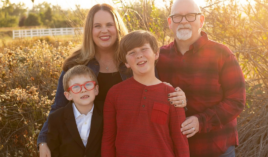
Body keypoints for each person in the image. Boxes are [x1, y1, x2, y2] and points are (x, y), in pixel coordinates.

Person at [38, 4, 187, 157]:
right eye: (97, 26)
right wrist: (43, 140)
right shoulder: (76, 63)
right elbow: (59, 106)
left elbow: (155, 95)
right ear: (90, 30)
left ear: (117, 27)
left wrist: (179, 98)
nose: (104, 30)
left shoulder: (134, 60)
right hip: (85, 144)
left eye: (109, 25)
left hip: (123, 143)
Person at [156, 0, 246, 156]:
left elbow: (236, 101)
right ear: (170, 22)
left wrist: (201, 121)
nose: (183, 21)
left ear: (201, 20)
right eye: (177, 17)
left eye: (190, 16)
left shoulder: (221, 54)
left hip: (215, 149)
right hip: (173, 149)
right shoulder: (159, 57)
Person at [101, 30, 189, 157]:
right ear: (126, 63)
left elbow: (180, 142)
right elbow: (108, 139)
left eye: (144, 49)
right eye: (132, 52)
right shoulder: (115, 93)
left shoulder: (172, 95)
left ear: (156, 53)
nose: (139, 55)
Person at [47, 65, 101, 156]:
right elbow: (54, 151)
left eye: (88, 84)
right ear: (68, 95)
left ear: (96, 89)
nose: (83, 90)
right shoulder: (56, 118)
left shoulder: (106, 113)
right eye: (76, 87)